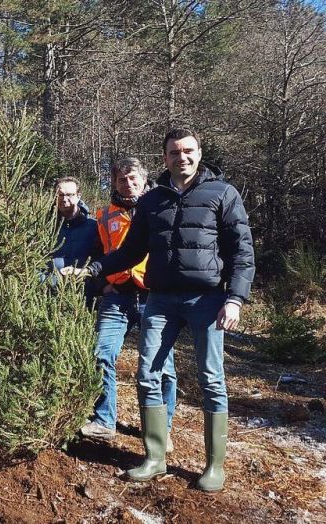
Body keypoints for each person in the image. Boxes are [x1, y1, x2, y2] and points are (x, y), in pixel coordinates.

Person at [66, 129, 254, 491]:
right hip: (161, 299)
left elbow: (242, 252)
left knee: (211, 379)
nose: (181, 158)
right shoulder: (153, 201)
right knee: (147, 374)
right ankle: (154, 458)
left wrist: (235, 299)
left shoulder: (223, 193)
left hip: (208, 300)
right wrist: (94, 269)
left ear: (198, 154)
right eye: (173, 152)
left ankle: (214, 467)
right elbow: (131, 251)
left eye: (187, 151)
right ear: (164, 158)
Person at [79, 158, 177, 451]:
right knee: (102, 354)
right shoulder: (104, 216)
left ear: (144, 181)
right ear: (115, 183)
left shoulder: (161, 208)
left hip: (153, 296)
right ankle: (104, 420)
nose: (128, 183)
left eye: (133, 178)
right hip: (116, 295)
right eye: (122, 179)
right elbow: (94, 255)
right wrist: (101, 284)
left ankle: (162, 428)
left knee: (163, 366)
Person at [44, 177, 100, 305]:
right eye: (60, 195)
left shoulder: (94, 226)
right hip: (48, 294)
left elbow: (101, 260)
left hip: (85, 296)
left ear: (78, 196)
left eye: (69, 194)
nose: (64, 199)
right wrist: (48, 281)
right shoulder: (44, 227)